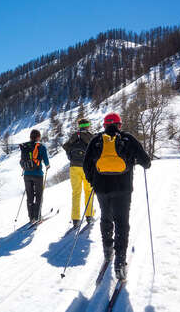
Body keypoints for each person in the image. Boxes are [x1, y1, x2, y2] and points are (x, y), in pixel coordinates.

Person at [83, 113, 151, 280]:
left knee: (106, 218)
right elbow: (146, 162)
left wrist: (93, 181)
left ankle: (108, 250)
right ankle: (120, 261)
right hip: (123, 188)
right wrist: (137, 161)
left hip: (101, 188)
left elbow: (86, 165)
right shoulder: (127, 138)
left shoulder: (96, 140)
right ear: (119, 125)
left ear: (105, 125)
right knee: (122, 222)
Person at [63, 118, 95, 229]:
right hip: (87, 168)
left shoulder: (74, 136)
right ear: (87, 125)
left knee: (76, 193)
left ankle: (75, 219)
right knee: (88, 191)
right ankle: (89, 216)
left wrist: (70, 155)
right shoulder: (91, 136)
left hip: (74, 167)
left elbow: (65, 146)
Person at [20, 129, 50, 223]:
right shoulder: (41, 146)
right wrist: (47, 166)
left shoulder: (25, 146)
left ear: (30, 137)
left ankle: (31, 217)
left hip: (27, 175)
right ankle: (38, 217)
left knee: (29, 196)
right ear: (38, 137)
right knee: (39, 196)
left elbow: (22, 160)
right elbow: (46, 161)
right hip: (37, 175)